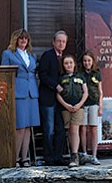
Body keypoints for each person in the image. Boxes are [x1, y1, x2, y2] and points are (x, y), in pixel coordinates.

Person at [1, 29, 40, 167]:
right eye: (21, 38)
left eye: (26, 38)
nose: (24, 40)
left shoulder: (31, 55)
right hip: (18, 93)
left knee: (28, 127)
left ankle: (25, 158)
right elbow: (4, 74)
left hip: (32, 93)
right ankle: (15, 158)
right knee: (20, 127)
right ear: (16, 39)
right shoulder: (8, 54)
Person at [38, 30, 68, 165]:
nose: (61, 43)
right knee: (49, 129)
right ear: (53, 42)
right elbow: (42, 75)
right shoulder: (47, 55)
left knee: (60, 129)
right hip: (48, 98)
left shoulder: (65, 58)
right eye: (59, 41)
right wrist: (55, 85)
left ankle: (58, 157)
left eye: (63, 41)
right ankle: (49, 158)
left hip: (61, 100)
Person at [56, 54, 88, 167]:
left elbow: (86, 92)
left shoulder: (81, 76)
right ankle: (72, 154)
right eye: (66, 63)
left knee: (74, 129)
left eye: (70, 62)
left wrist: (79, 105)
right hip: (66, 108)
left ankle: (74, 156)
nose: (68, 65)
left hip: (78, 108)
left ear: (74, 64)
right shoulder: (61, 78)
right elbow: (58, 95)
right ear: (63, 65)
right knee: (69, 130)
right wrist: (66, 105)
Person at [79, 50, 103, 165]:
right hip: (83, 104)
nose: (87, 63)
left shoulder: (97, 73)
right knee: (83, 128)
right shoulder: (79, 74)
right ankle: (84, 153)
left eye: (89, 60)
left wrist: (101, 106)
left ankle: (94, 155)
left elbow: (100, 91)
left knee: (93, 129)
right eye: (84, 61)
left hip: (94, 103)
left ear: (92, 61)